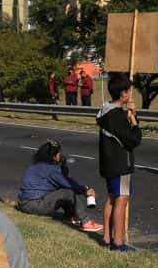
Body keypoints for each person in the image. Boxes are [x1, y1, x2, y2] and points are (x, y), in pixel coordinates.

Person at [96, 73, 142, 251]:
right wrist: (134, 119)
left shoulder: (104, 110)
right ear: (123, 93)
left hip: (108, 162)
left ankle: (107, 237)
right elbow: (134, 140)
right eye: (129, 91)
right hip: (120, 163)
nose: (131, 94)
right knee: (121, 200)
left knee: (111, 198)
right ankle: (119, 242)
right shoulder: (118, 116)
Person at [17, 140, 103, 232]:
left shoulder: (37, 166)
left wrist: (63, 167)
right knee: (68, 192)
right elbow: (68, 184)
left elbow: (62, 182)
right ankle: (86, 223)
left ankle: (71, 217)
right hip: (33, 205)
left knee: (62, 192)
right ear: (53, 156)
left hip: (24, 203)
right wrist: (85, 190)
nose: (60, 155)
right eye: (58, 153)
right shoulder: (51, 169)